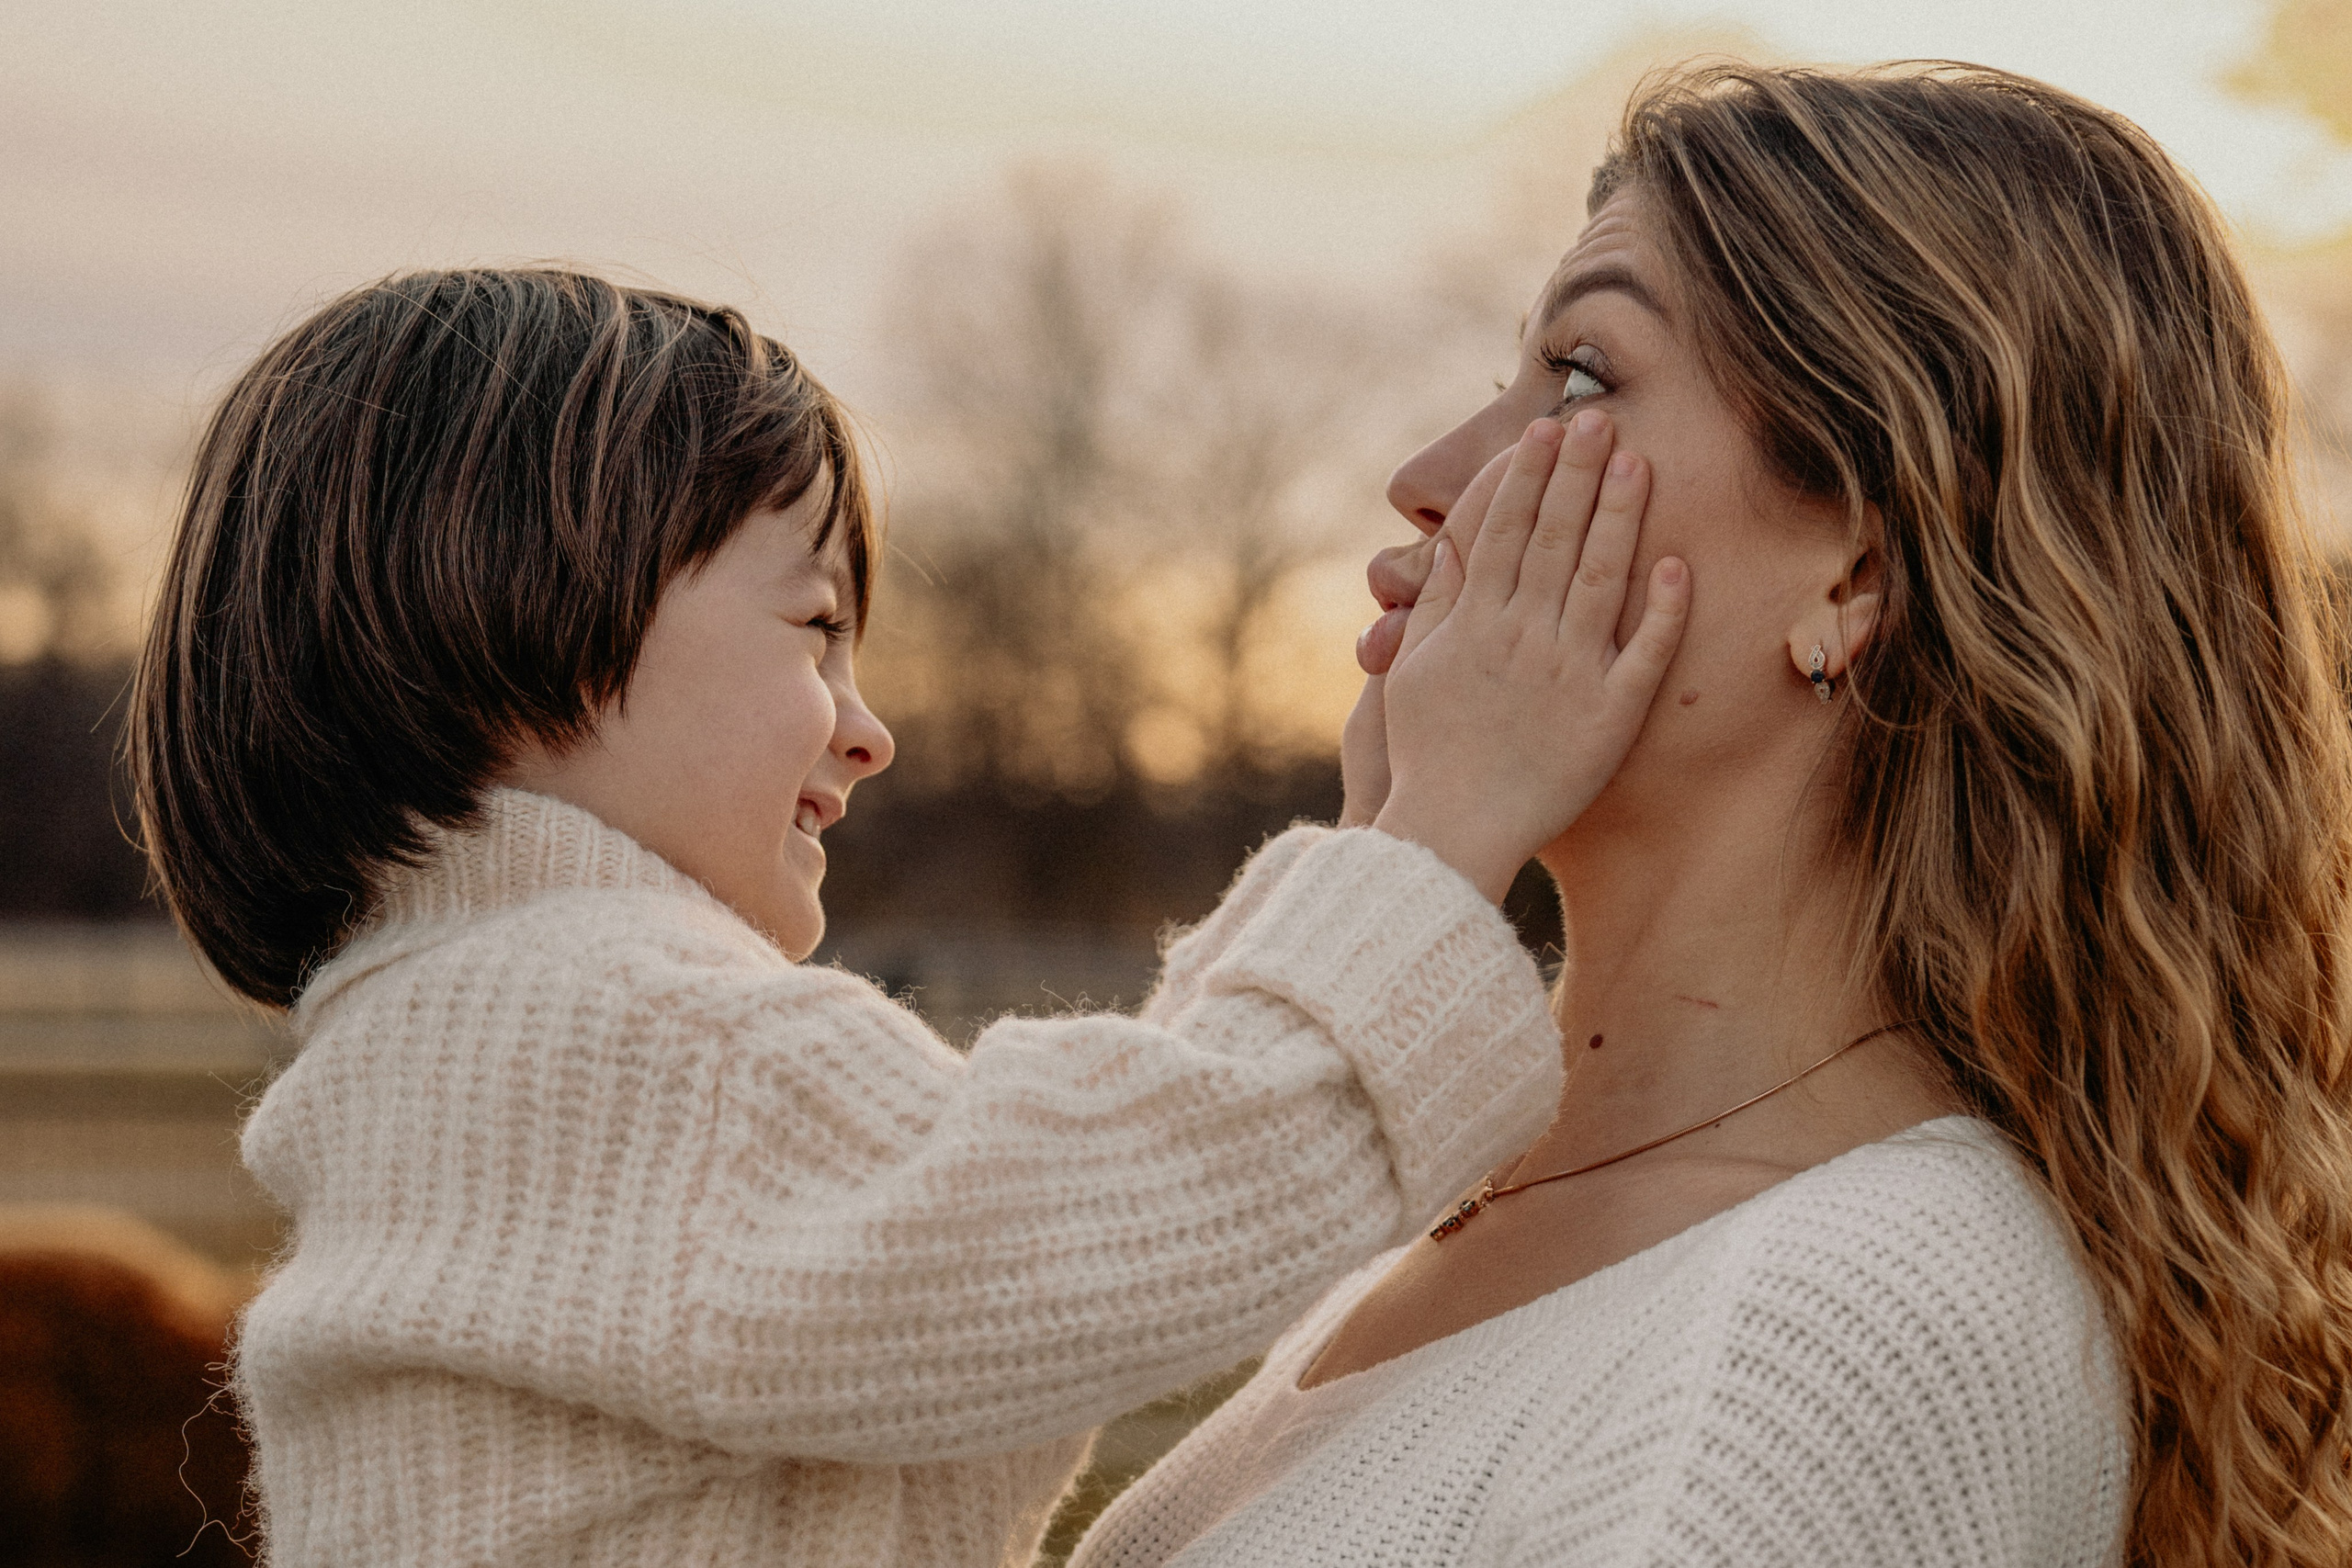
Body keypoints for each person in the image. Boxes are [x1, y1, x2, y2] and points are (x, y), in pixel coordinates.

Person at [126, 267, 1690, 1567]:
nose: (866, 733)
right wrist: (1439, 840)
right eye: (816, 629)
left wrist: (1366, 856)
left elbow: (1001, 1258)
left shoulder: (456, 1040)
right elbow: (1099, 1224)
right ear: (503, 622)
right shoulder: (596, 1027)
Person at [1072, 62, 2352, 1568]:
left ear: (1860, 572)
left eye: (1584, 378)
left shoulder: (1839, 1334)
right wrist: (1376, 883)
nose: (1428, 482)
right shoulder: (1490, 1217)